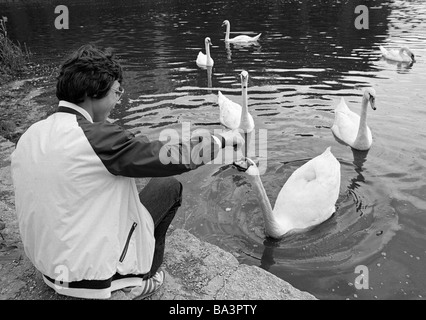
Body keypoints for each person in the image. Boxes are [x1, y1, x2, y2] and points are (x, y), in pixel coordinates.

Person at [10, 44, 244, 299]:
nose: (118, 100)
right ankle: (140, 278)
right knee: (168, 187)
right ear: (92, 92)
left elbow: (116, 148)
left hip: (48, 267)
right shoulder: (98, 139)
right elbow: (174, 157)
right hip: (87, 277)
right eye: (116, 92)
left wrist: (131, 141)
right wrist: (220, 140)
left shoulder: (33, 134)